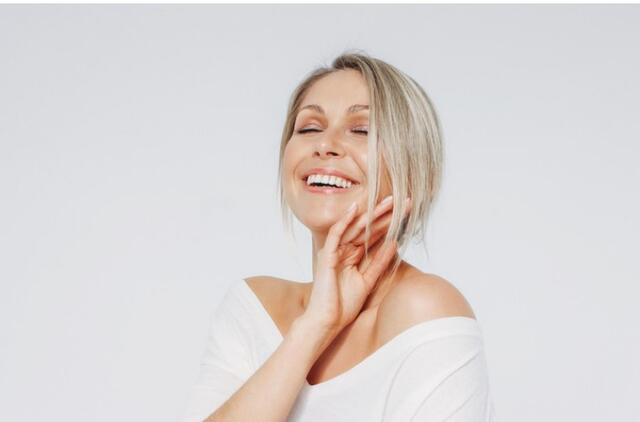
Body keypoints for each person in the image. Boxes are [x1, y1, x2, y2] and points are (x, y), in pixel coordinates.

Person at [182, 51, 497, 422]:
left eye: (361, 130)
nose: (325, 144)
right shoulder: (251, 307)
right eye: (309, 128)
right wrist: (315, 326)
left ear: (415, 170)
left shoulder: (425, 308)